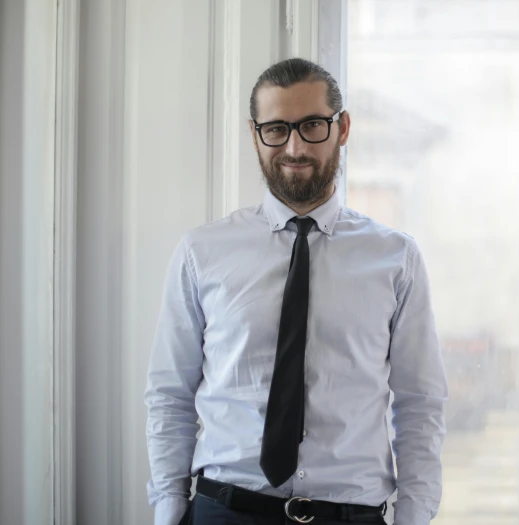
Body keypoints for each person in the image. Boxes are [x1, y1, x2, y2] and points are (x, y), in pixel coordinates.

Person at [145, 58, 448, 525]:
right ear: (255, 134)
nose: (294, 146)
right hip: (224, 510)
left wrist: (413, 517)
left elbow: (420, 403)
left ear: (342, 127)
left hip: (350, 515)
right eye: (276, 129)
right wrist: (168, 511)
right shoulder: (201, 253)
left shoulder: (396, 259)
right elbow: (170, 393)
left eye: (311, 126)